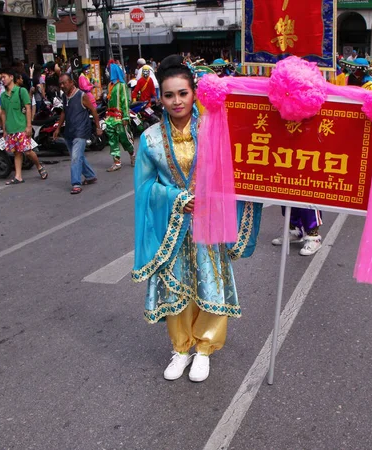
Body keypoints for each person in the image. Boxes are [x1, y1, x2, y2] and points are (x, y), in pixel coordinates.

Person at [131, 54, 262, 382]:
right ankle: (181, 349)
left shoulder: (213, 127)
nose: (176, 101)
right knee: (175, 290)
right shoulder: (149, 140)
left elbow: (236, 168)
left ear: (194, 93)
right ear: (160, 97)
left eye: (183, 93)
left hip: (209, 223)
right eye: (169, 95)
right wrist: (176, 199)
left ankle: (204, 348)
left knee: (210, 284)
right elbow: (144, 188)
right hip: (171, 227)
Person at [53, 74, 102, 194]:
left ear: (71, 82)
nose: (62, 86)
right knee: (77, 156)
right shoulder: (65, 96)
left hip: (81, 131)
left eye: (64, 83)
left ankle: (76, 183)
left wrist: (98, 127)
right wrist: (58, 128)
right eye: (61, 84)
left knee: (75, 157)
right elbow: (64, 112)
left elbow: (93, 111)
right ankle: (90, 176)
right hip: (69, 131)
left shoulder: (81, 95)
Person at [0, 68, 48, 185]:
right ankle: (18, 176)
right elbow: (3, 113)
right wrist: (4, 129)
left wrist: (28, 125)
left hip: (21, 127)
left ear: (11, 77)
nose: (2, 80)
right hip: (11, 128)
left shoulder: (21, 91)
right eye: (1, 77)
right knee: (17, 152)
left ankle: (39, 166)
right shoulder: (3, 96)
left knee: (27, 151)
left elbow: (28, 108)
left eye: (4, 77)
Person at [104, 60, 135, 171]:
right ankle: (117, 162)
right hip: (110, 117)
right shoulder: (109, 85)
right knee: (112, 140)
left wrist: (126, 117)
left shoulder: (121, 85)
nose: (107, 72)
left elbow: (125, 101)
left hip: (119, 117)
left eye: (109, 70)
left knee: (125, 139)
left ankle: (132, 155)